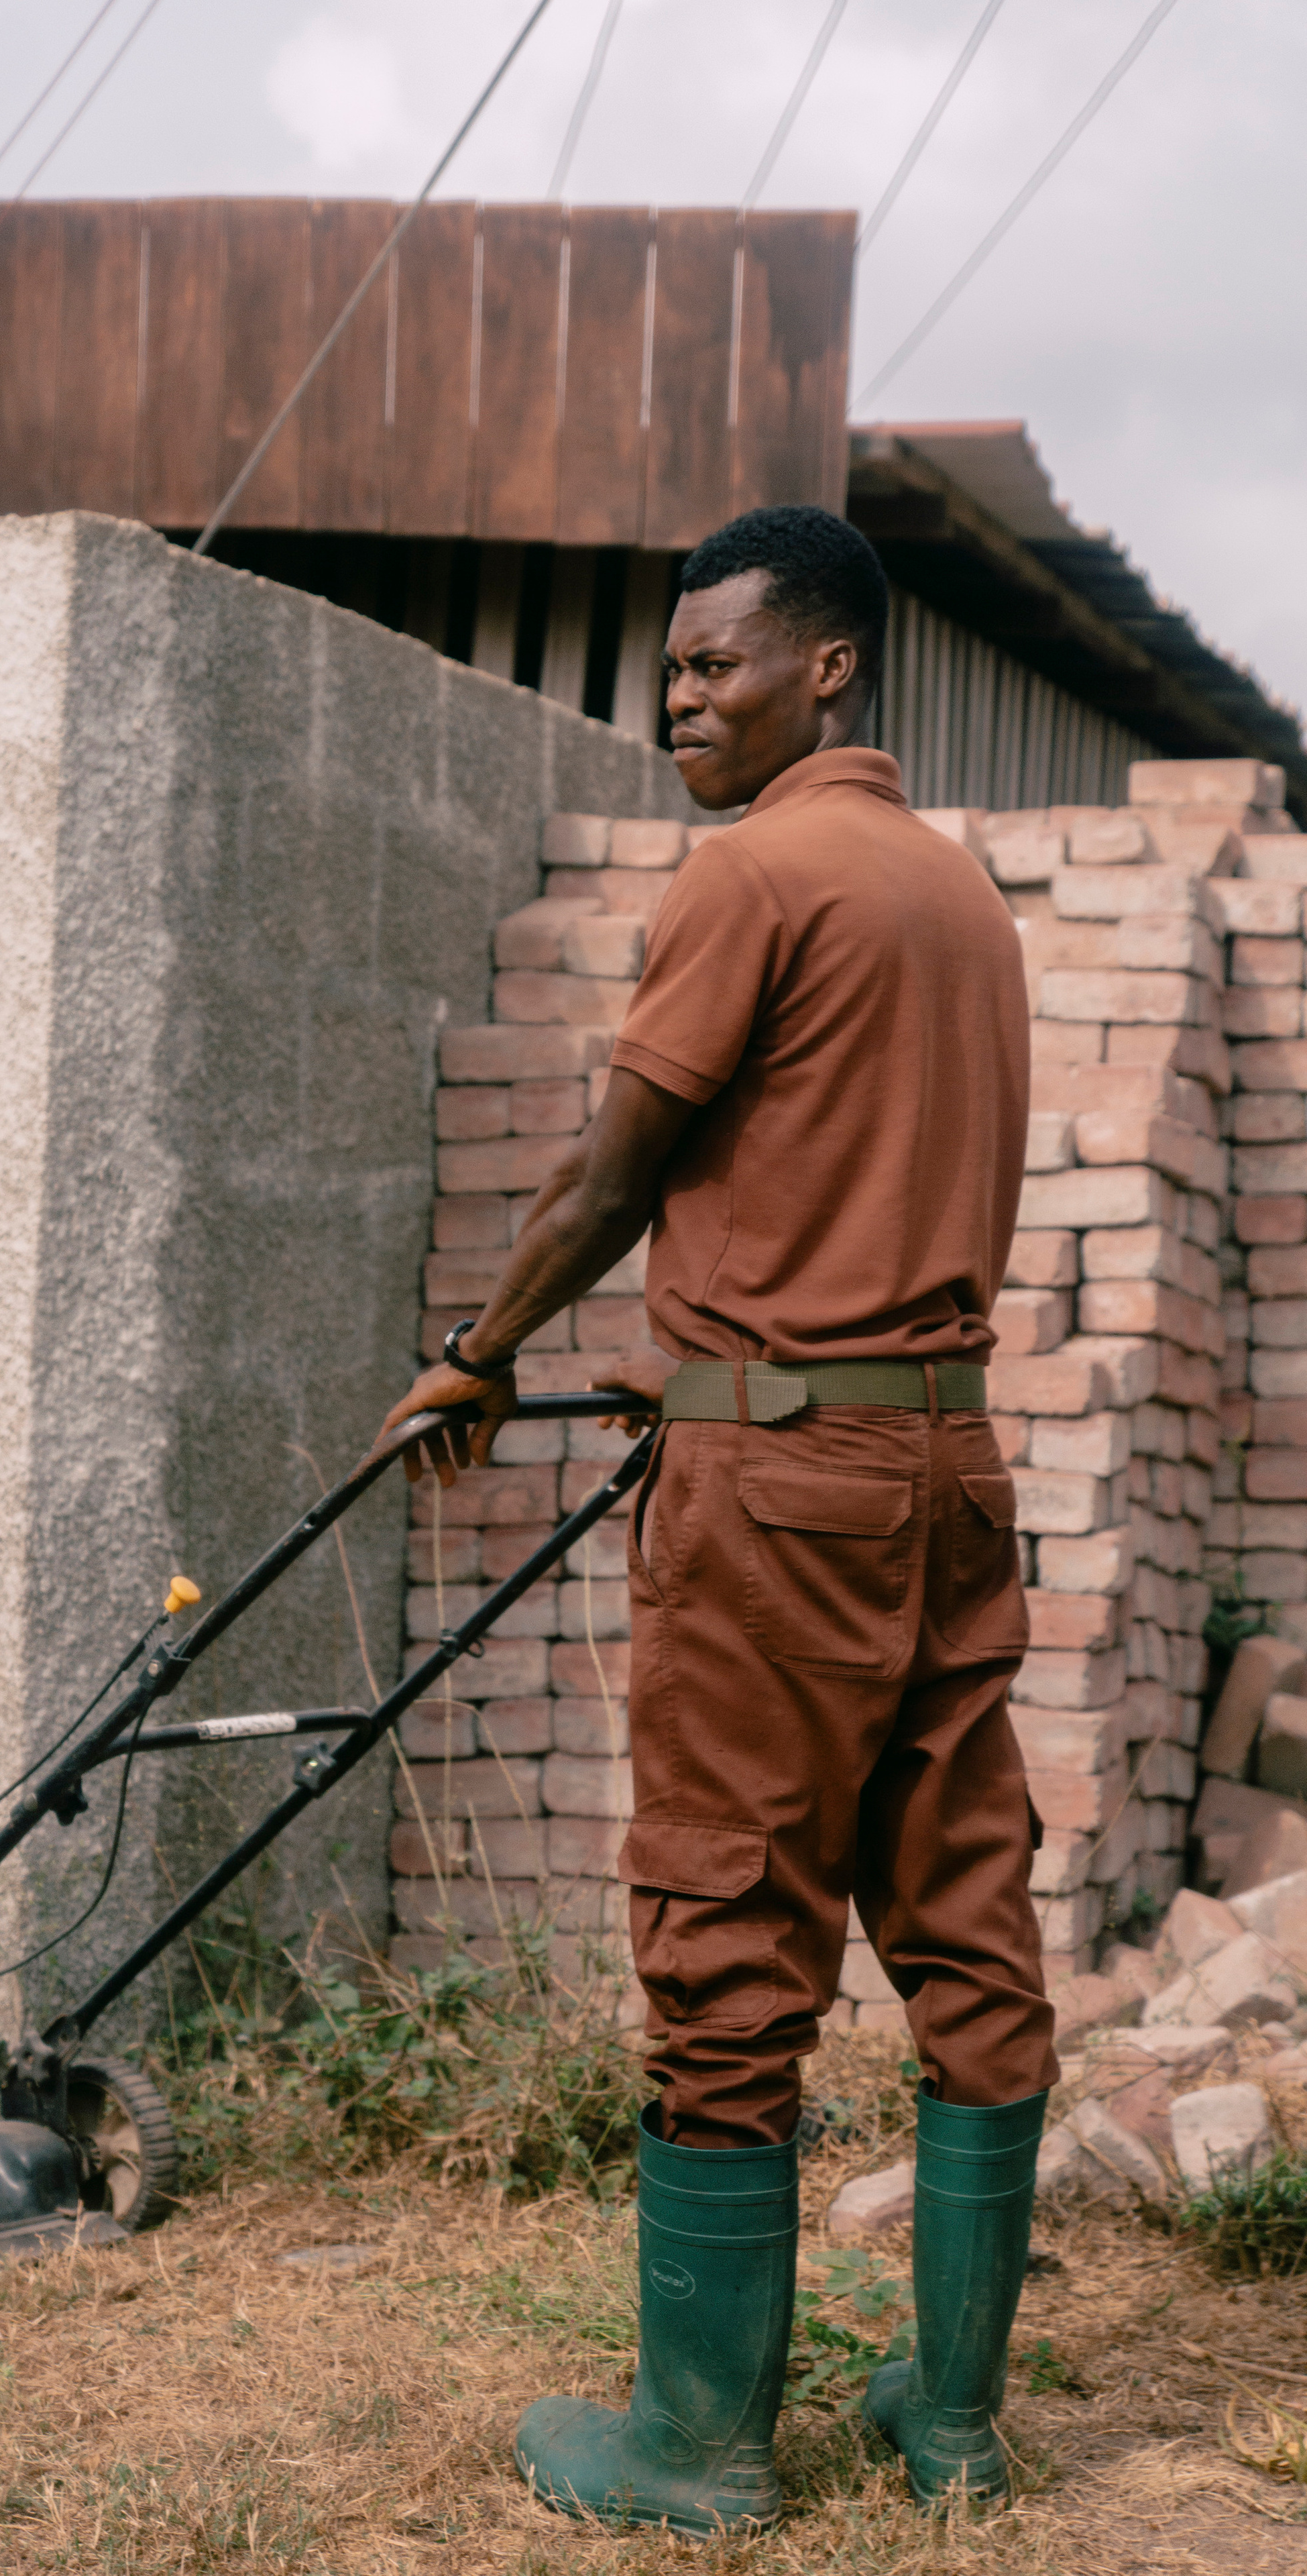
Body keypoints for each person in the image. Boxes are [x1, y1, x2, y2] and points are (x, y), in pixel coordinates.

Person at [374, 504, 1058, 2534]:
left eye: (716, 663)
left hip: (777, 1501)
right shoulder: (962, 903)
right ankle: (951, 2428)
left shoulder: (753, 876)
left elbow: (612, 1172)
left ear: (828, 667)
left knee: (727, 1922)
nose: (680, 695)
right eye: (671, 668)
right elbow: (843, 1205)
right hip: (943, 1469)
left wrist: (481, 1349)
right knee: (965, 1918)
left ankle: (698, 2452)